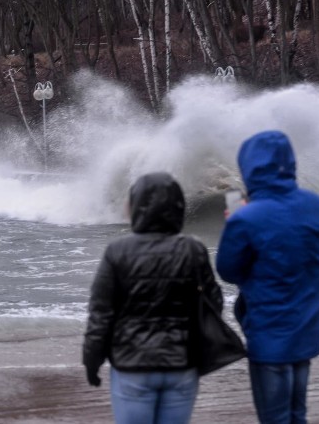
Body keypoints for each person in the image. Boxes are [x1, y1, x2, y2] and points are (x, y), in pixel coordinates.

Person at [83, 171, 224, 424]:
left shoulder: (118, 251)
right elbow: (214, 304)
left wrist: (92, 361)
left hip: (132, 366)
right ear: (178, 206)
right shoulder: (193, 249)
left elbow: (100, 314)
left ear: (138, 206)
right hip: (181, 365)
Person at [216, 130, 319, 424]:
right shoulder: (315, 206)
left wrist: (233, 225)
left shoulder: (245, 218)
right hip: (307, 328)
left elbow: (228, 270)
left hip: (269, 333)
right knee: (297, 414)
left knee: (275, 419)